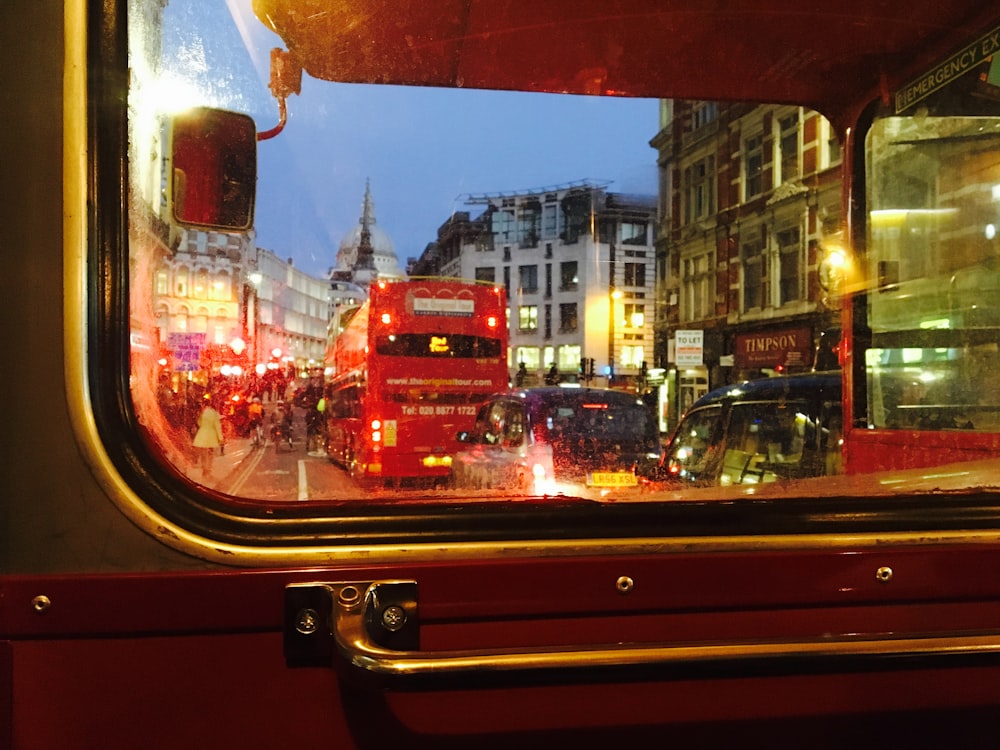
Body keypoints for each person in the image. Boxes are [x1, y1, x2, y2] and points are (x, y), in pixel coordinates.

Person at [192, 395, 225, 479]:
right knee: (210, 455)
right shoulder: (214, 413)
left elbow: (199, 423)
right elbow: (217, 426)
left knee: (203, 454)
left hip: (202, 434)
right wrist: (221, 438)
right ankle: (208, 472)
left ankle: (204, 470)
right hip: (211, 435)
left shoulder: (203, 412)